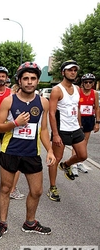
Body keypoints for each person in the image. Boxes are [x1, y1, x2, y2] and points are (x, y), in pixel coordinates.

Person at [0, 62, 56, 240]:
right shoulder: (9, 101)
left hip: (31, 153)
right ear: (19, 80)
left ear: (37, 81)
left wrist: (50, 150)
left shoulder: (43, 102)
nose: (29, 82)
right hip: (10, 151)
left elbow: (43, 129)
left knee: (37, 191)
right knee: (5, 189)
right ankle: (2, 223)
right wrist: (15, 123)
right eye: (25, 78)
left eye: (33, 78)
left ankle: (30, 223)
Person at [47, 60, 87, 202]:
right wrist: (55, 134)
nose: (73, 72)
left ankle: (66, 165)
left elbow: (76, 108)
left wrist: (80, 124)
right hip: (62, 130)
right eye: (70, 70)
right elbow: (51, 113)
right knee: (55, 159)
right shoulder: (57, 90)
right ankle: (52, 187)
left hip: (75, 128)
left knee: (82, 155)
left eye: (75, 70)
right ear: (63, 72)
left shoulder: (77, 89)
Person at [70, 73, 99, 177]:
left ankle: (80, 162)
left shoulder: (94, 93)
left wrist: (97, 122)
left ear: (93, 83)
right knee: (76, 141)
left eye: (90, 82)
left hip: (89, 118)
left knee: (85, 141)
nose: (88, 84)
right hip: (78, 118)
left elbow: (96, 108)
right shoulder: (78, 92)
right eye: (85, 82)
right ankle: (72, 164)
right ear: (82, 83)